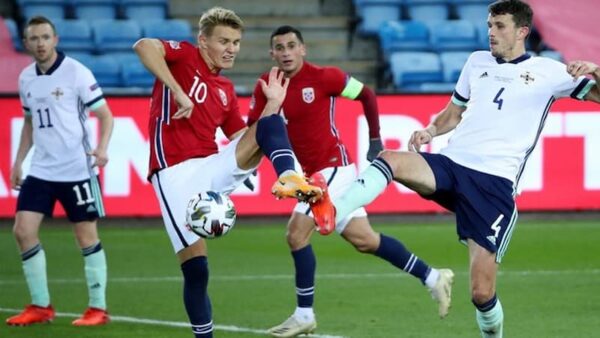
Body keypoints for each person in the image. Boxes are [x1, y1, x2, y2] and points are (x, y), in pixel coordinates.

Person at [309, 1, 600, 337]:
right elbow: (453, 113)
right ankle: (332, 210)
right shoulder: (476, 62)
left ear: (522, 31)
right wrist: (430, 131)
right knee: (390, 159)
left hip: (493, 186)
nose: (491, 32)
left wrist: (595, 68)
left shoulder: (551, 71)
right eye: (490, 24)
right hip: (453, 163)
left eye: (500, 26)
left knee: (481, 293)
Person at [247, 26, 455, 338]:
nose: (287, 52)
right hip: (309, 174)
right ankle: (432, 276)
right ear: (272, 53)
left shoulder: (325, 77)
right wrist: (249, 166)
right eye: (280, 47)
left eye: (292, 45)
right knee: (365, 240)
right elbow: (256, 129)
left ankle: (304, 315)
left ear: (303, 49)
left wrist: (375, 138)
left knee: (296, 234)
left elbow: (366, 94)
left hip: (333, 168)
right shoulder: (267, 85)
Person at [133, 7, 323, 338]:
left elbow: (242, 138)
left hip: (212, 168)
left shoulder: (224, 89)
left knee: (267, 123)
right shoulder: (184, 57)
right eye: (224, 41)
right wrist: (177, 91)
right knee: (197, 271)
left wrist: (272, 104)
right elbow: (143, 46)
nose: (232, 48)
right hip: (174, 174)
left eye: (236, 42)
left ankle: (292, 179)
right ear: (203, 41)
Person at [6, 16, 114, 327]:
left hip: (77, 170)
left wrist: (103, 149)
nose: (40, 43)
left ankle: (98, 308)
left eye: (45, 37)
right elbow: (29, 123)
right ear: (26, 44)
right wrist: (18, 162)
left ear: (55, 39)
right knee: (23, 232)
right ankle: (40, 306)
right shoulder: (26, 78)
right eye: (34, 38)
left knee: (85, 236)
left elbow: (106, 116)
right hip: (41, 169)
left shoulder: (77, 73)